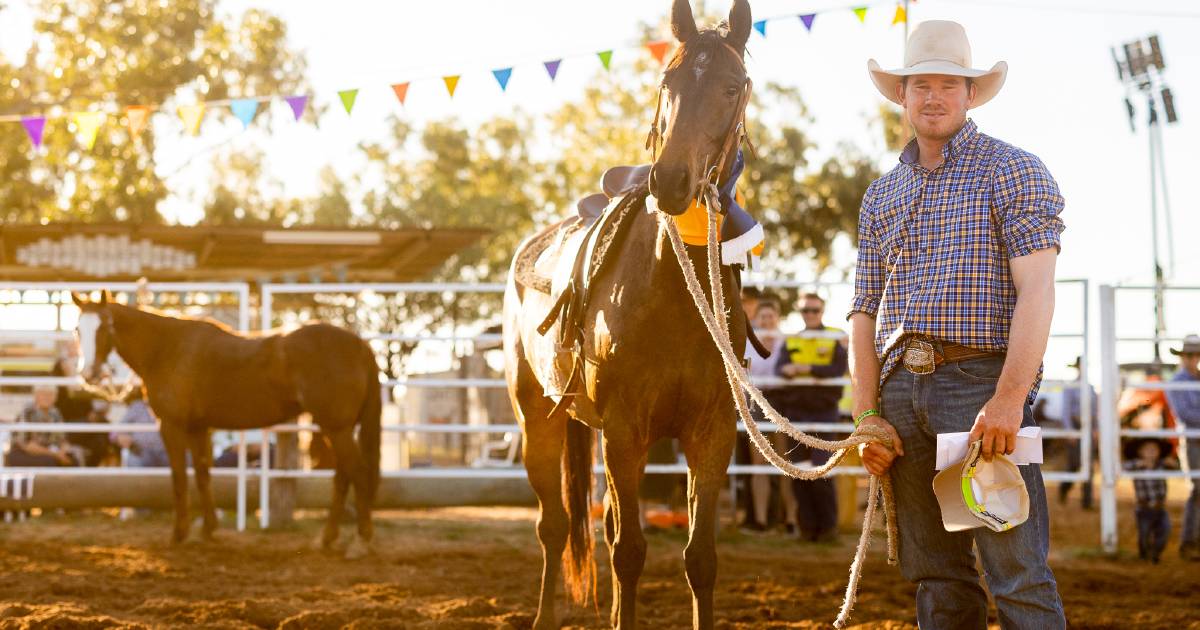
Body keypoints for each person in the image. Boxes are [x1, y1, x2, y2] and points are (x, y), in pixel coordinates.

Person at [849, 21, 1066, 627]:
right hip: (900, 393)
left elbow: (1038, 293)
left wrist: (1008, 399)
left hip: (980, 388)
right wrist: (868, 414)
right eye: (921, 84)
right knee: (935, 578)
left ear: (971, 94)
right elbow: (863, 312)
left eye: (949, 84)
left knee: (1017, 573)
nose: (934, 96)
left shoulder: (1013, 171)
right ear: (903, 95)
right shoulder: (882, 194)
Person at [776, 293, 847, 543]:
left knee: (822, 470)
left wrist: (805, 370)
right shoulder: (792, 339)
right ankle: (807, 529)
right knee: (800, 471)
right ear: (800, 312)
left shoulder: (834, 337)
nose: (810, 315)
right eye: (806, 311)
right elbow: (780, 369)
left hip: (823, 411)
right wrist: (790, 371)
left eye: (814, 310)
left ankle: (828, 528)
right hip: (797, 411)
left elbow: (837, 370)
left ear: (823, 311)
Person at [741, 296, 799, 533]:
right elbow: (744, 373)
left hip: (783, 402)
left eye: (770, 316)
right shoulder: (748, 342)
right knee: (759, 463)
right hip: (757, 402)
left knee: (787, 461)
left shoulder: (787, 341)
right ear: (757, 318)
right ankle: (762, 520)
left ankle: (791, 520)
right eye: (762, 316)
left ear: (777, 318)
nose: (766, 320)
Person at [1165, 334, 1200, 561]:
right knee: (1197, 489)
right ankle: (1188, 541)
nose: (1192, 359)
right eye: (1188, 355)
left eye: (1195, 354)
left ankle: (1191, 540)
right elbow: (1185, 415)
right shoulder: (1177, 381)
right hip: (1192, 441)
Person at [1123, 437, 1172, 563]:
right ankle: (1144, 554)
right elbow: (1124, 467)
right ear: (1140, 452)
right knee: (1144, 534)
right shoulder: (1137, 465)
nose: (1151, 452)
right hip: (1144, 508)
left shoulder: (1161, 465)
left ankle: (1156, 553)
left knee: (1165, 531)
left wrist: (1170, 463)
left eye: (1154, 449)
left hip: (1160, 508)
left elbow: (1174, 466)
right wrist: (1138, 463)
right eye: (1147, 449)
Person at [7, 386, 80, 467]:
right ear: (35, 396)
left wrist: (63, 451)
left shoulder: (55, 413)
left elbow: (63, 439)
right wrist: (56, 455)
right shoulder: (27, 413)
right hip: (23, 453)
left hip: (50, 451)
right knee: (49, 461)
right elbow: (27, 445)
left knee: (73, 459)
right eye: (43, 394)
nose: (47, 397)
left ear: (56, 397)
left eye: (50, 394)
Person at [1059, 357, 1097, 508]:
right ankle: (1064, 488)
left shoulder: (1091, 387)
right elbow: (1066, 411)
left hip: (1088, 427)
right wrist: (1069, 431)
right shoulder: (1071, 386)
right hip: (1075, 425)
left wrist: (1095, 429)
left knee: (1089, 464)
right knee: (1074, 464)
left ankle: (1087, 502)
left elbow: (1095, 411)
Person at [112, 389, 169, 468]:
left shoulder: (172, 407)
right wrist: (119, 436)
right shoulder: (137, 407)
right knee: (135, 460)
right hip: (141, 451)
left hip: (167, 451)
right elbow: (114, 433)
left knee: (185, 458)